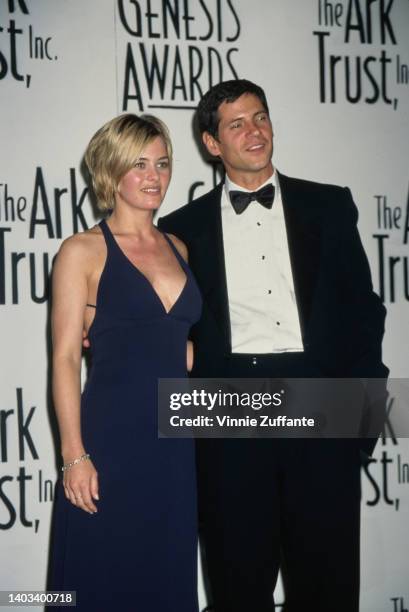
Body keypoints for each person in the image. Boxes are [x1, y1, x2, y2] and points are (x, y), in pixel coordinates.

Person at [158, 80, 388, 612]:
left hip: (320, 410)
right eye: (236, 124)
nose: (254, 132)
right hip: (228, 417)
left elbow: (365, 314)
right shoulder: (179, 230)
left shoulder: (329, 206)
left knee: (327, 587)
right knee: (237, 586)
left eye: (259, 117)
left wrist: (363, 423)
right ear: (212, 143)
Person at [47, 113, 201, 612]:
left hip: (174, 446)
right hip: (112, 442)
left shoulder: (178, 248)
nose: (155, 176)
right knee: (102, 579)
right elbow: (66, 358)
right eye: (139, 164)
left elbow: (172, 339)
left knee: (166, 574)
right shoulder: (82, 251)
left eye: (162, 162)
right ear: (111, 172)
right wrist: (74, 454)